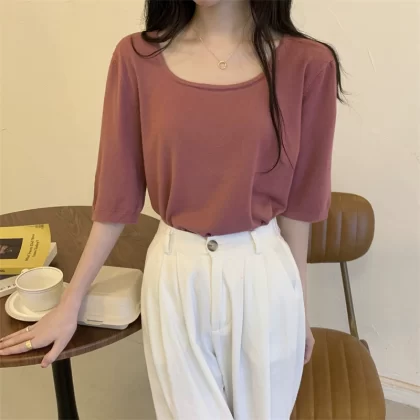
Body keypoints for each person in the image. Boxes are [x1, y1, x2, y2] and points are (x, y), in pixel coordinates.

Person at [0, 0, 343, 418]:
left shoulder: (309, 64)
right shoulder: (136, 58)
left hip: (264, 279)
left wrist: (300, 309)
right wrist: (70, 303)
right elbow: (116, 196)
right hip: (175, 276)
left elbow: (300, 204)